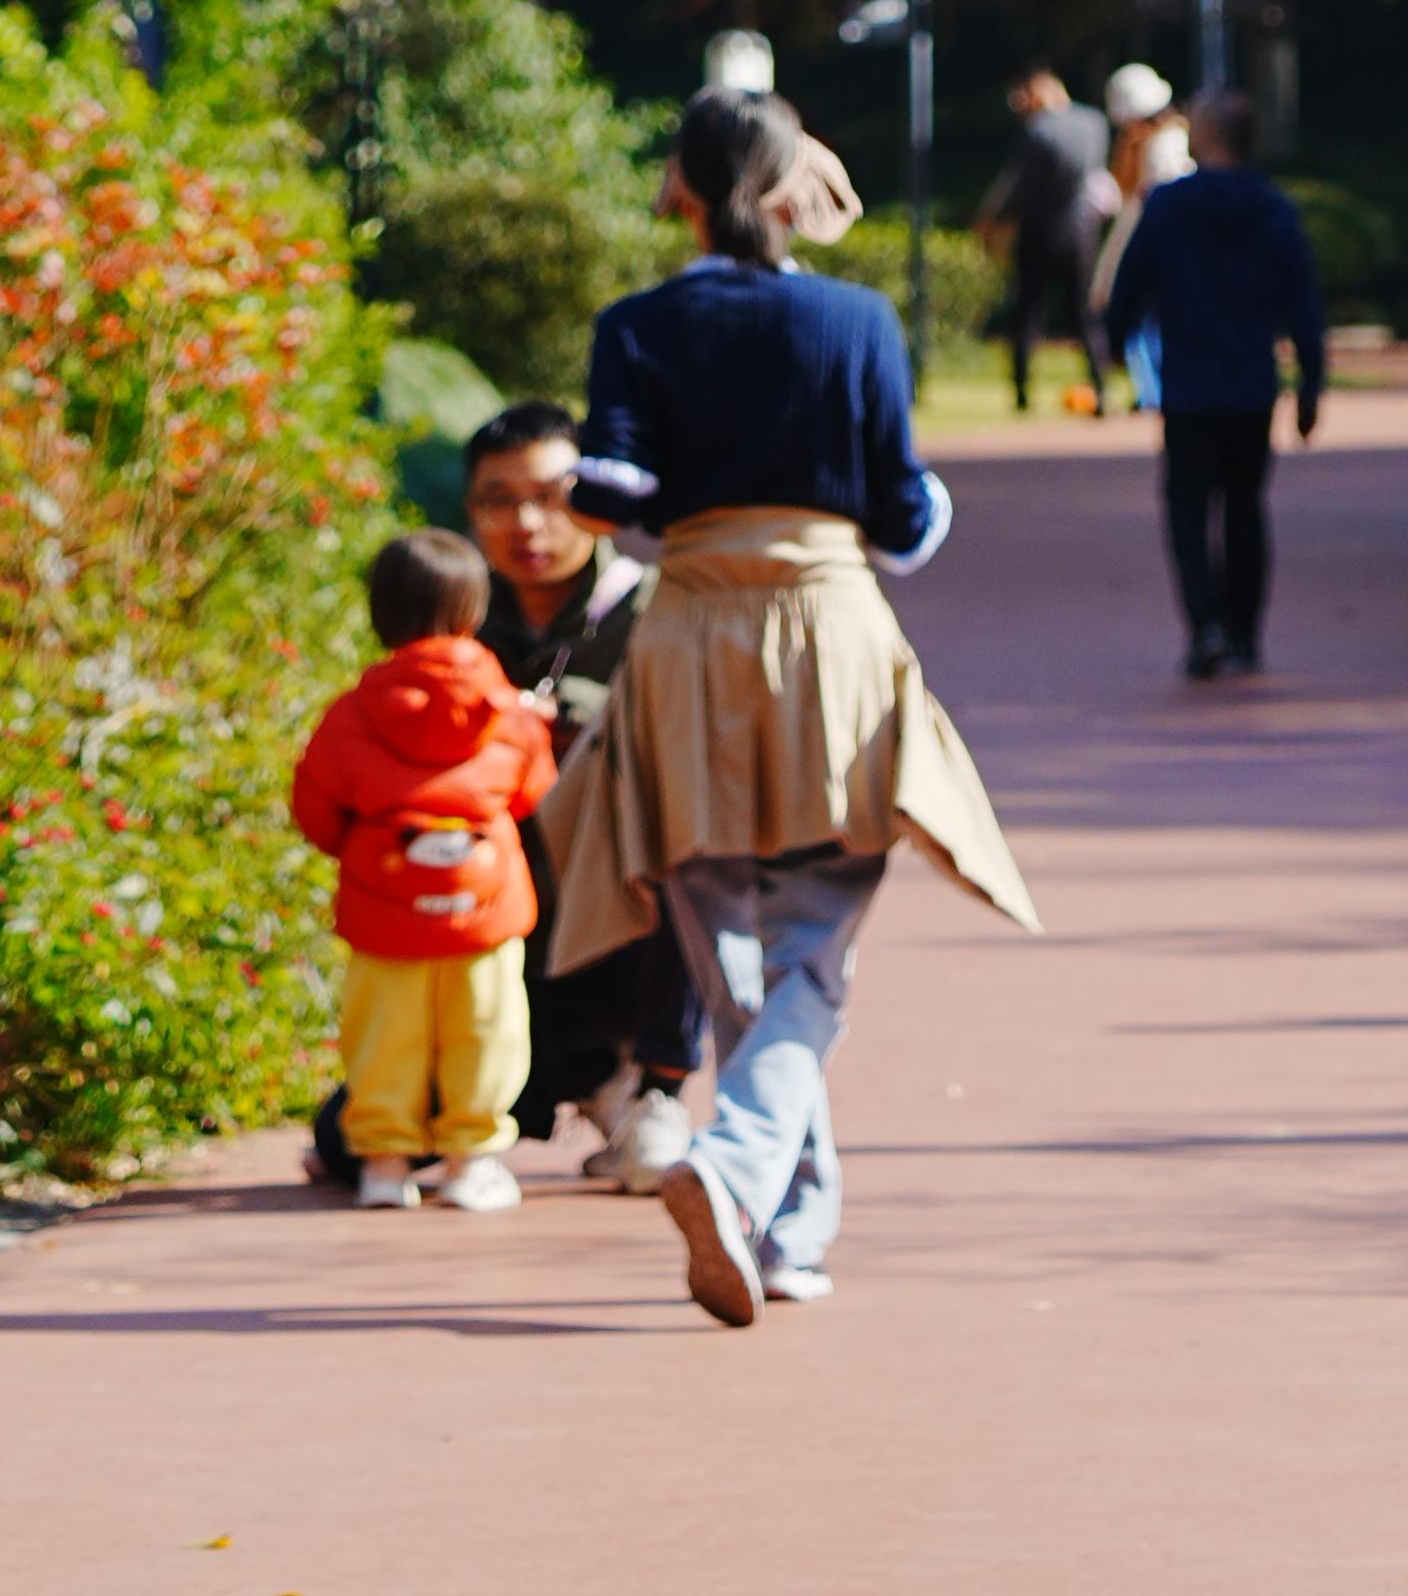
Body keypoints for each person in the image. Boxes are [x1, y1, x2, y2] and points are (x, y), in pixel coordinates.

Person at [545, 85, 1041, 1323]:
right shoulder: (855, 317)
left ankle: (775, 1218)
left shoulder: (637, 324)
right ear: (784, 187)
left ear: (683, 191)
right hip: (829, 637)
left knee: (726, 955)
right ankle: (752, 1187)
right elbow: (902, 515)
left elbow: (607, 489)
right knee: (815, 942)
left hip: (690, 638)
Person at [464, 398, 704, 1181]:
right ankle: (591, 1083)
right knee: (347, 1142)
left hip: (624, 906)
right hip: (500, 926)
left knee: (695, 845)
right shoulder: (453, 623)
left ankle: (653, 1087)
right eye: (499, 501)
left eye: (550, 496)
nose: (526, 525)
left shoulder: (654, 609)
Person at [285, 521, 555, 1214]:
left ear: (380, 615)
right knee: (486, 1033)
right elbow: (533, 793)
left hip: (385, 910)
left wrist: (361, 849)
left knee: (384, 1038)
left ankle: (383, 1165)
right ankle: (471, 1162)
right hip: (484, 910)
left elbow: (316, 804)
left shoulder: (353, 713)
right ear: (473, 611)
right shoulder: (507, 711)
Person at [1098, 89, 1329, 678]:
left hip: (1190, 381)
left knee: (1187, 505)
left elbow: (1130, 285)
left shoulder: (1171, 206)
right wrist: (1310, 382)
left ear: (1207, 136)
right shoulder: (1274, 208)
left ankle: (1204, 625)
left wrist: (1113, 343)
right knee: (1246, 506)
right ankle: (1244, 632)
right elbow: (1303, 299)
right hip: (1251, 380)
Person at [977, 69, 1113, 416]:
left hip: (1040, 230)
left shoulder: (1038, 130)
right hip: (1083, 231)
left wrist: (995, 218)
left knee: (1027, 313)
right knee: (1084, 315)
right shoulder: (1094, 122)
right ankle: (1100, 386)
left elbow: (1020, 185)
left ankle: (1022, 393)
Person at [1085, 62, 1190, 401]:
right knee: (1143, 322)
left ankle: (1153, 393)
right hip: (1144, 243)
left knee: (1147, 323)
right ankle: (1149, 392)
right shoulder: (1145, 143)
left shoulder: (1166, 145)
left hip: (1155, 248)